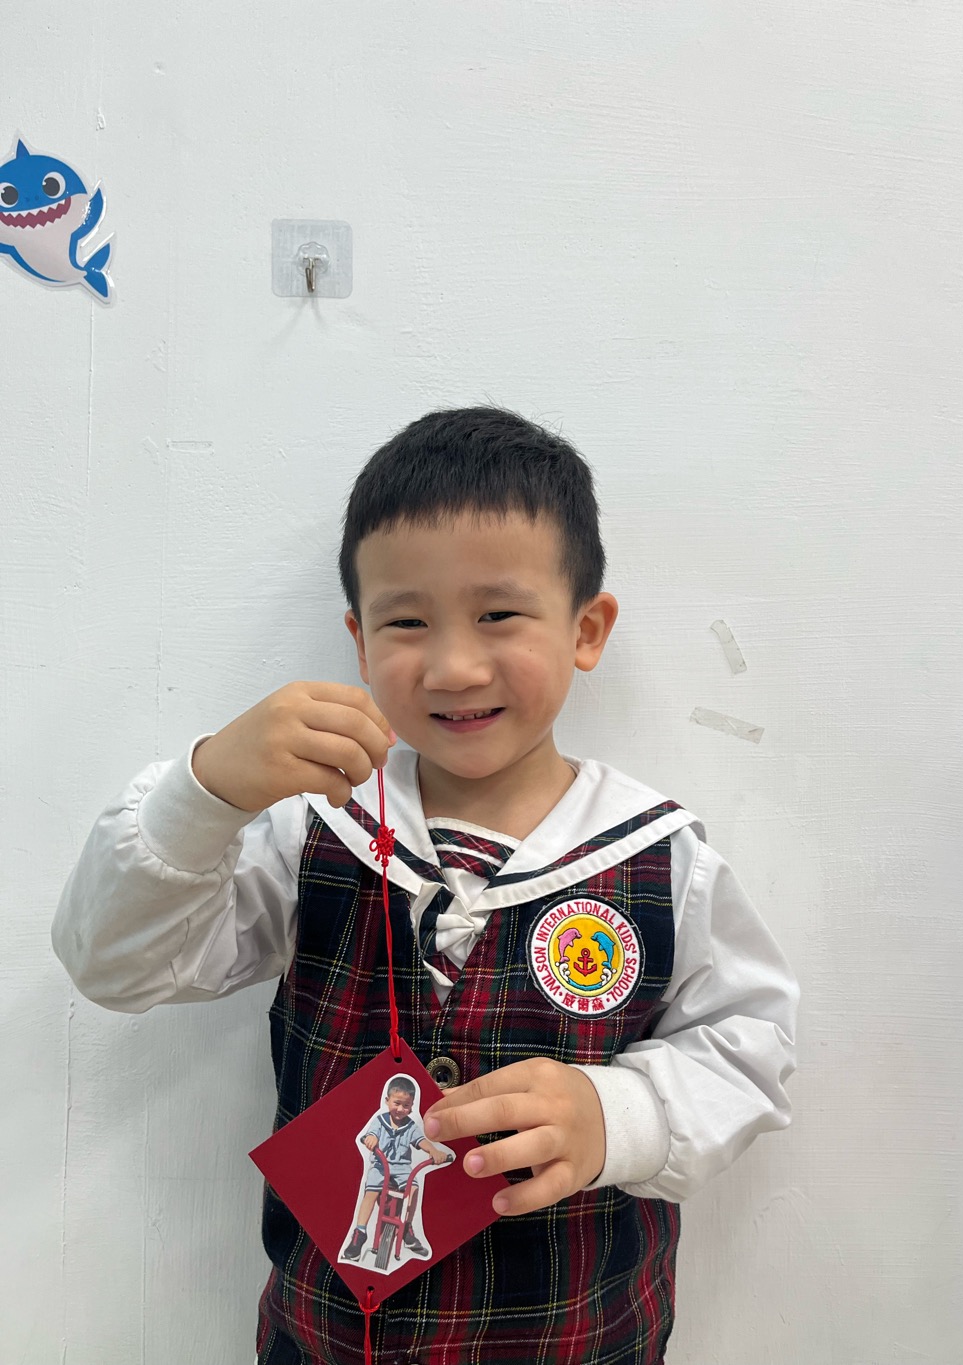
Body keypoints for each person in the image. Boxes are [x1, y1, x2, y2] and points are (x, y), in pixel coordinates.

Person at [53, 406, 799, 1364]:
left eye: (498, 614)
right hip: (327, 1337)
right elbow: (114, 966)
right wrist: (204, 793)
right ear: (361, 642)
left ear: (586, 628)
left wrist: (620, 1114)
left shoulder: (661, 858)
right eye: (407, 621)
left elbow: (748, 1044)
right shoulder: (313, 829)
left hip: (581, 1335)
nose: (453, 665)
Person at [343, 1075, 449, 1263]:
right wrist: (371, 1139)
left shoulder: (411, 1126)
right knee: (371, 1192)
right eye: (397, 1103)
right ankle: (360, 1233)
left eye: (406, 1105)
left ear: (412, 1106)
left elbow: (421, 1141)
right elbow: (371, 1134)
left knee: (413, 1188)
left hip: (402, 1169)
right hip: (380, 1166)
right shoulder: (379, 1121)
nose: (400, 1109)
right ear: (387, 1100)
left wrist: (433, 1150)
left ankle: (407, 1228)